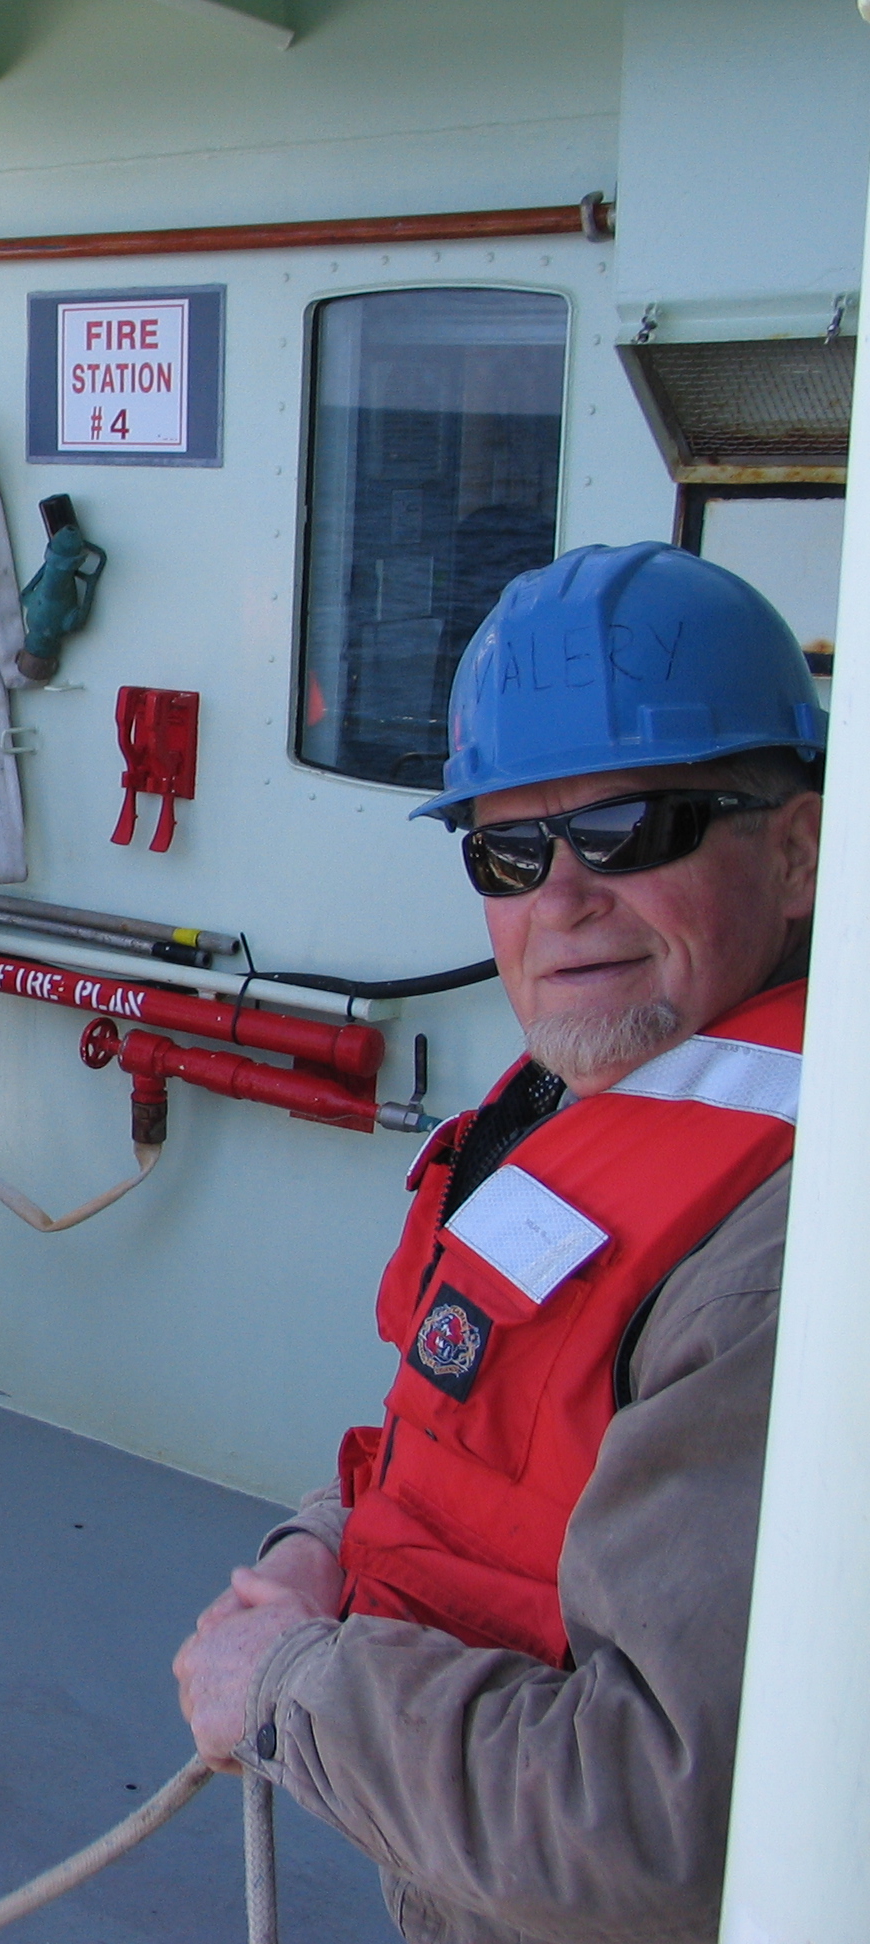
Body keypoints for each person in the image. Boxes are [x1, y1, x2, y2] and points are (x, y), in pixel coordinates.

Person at [173, 542, 830, 1943]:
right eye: (510, 853)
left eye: (630, 829)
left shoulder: (789, 1266)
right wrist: (321, 1550)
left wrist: (292, 1689)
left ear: (796, 853)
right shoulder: (599, 1095)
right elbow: (482, 1456)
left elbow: (654, 1823)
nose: (563, 900)